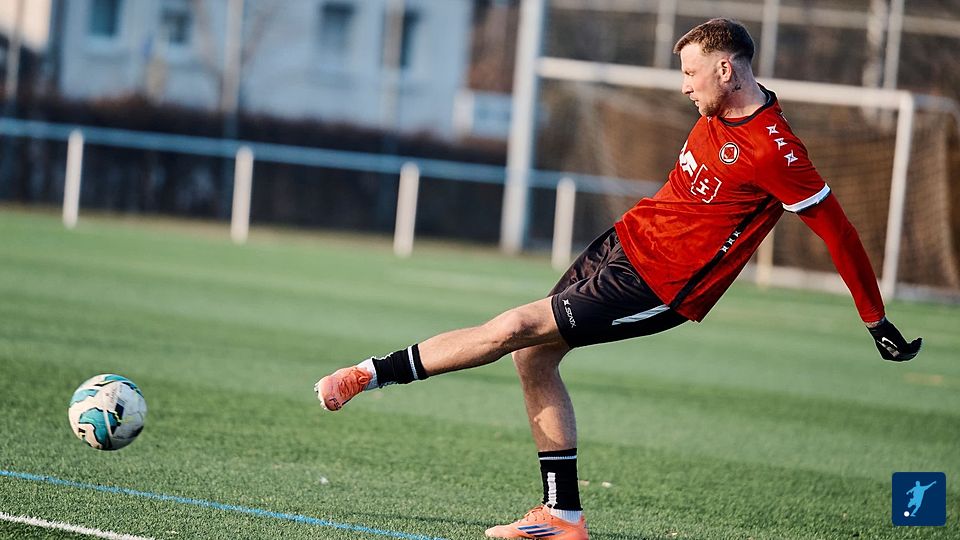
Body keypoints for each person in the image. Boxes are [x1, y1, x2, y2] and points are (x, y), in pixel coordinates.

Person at [314, 18, 922, 540]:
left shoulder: (774, 150)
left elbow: (840, 233)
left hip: (658, 286)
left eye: (691, 73)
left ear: (726, 70)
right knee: (533, 357)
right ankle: (562, 516)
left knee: (516, 327)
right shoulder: (718, 110)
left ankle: (370, 373)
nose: (684, 86)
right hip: (621, 245)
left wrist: (874, 318)